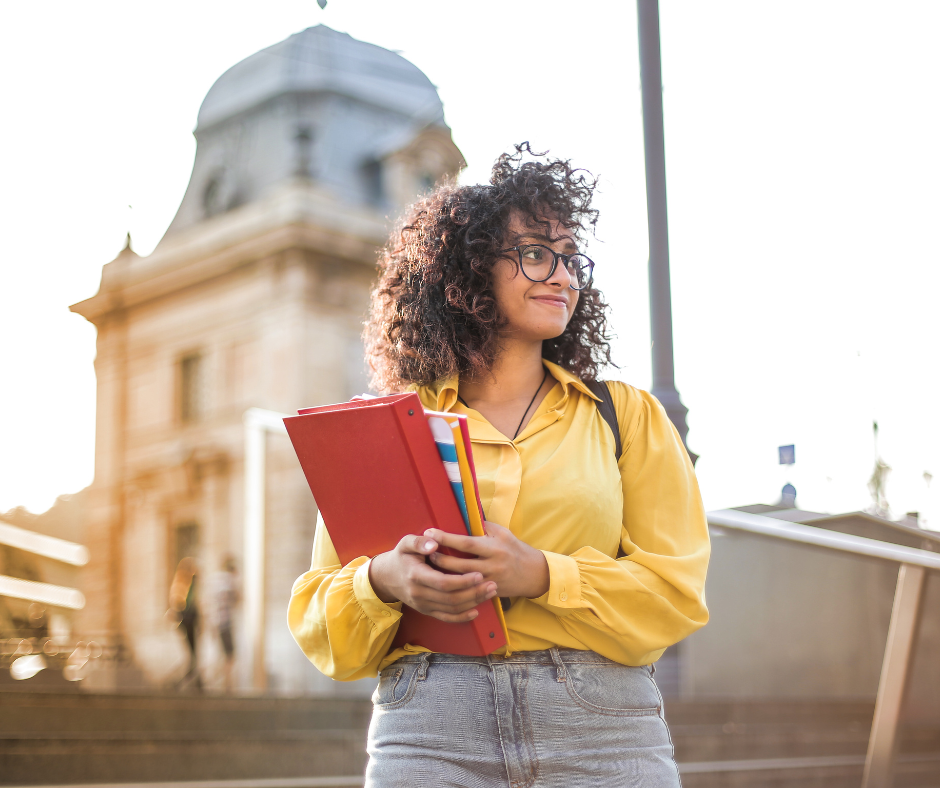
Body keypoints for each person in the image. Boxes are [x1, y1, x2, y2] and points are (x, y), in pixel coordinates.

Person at [288, 143, 710, 786]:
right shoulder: (389, 428)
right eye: (536, 253)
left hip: (600, 727)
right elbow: (323, 624)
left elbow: (675, 594)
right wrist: (384, 580)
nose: (563, 275)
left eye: (571, 257)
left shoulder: (626, 416)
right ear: (469, 269)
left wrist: (541, 574)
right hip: (428, 727)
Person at [207, 555, 240, 693]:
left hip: (214, 621)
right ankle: (227, 684)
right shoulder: (229, 581)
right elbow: (237, 599)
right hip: (225, 622)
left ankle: (218, 682)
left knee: (219, 653)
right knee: (229, 654)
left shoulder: (214, 580)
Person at [169, 556, 201, 691]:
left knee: (193, 652)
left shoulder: (189, 584)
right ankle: (192, 679)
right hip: (187, 621)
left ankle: (196, 680)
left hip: (190, 621)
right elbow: (178, 602)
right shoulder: (182, 584)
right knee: (191, 652)